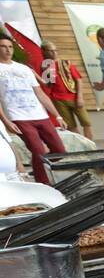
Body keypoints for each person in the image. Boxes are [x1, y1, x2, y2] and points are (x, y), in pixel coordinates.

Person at [0, 31, 66, 186]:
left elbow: (40, 94)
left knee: (60, 150)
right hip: (19, 117)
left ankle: (40, 167)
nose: (8, 50)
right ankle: (43, 183)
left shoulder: (24, 69)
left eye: (10, 46)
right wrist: (6, 121)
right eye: (3, 46)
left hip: (39, 114)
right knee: (38, 150)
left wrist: (57, 116)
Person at [39, 42, 94, 141]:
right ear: (44, 51)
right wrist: (36, 75)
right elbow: (47, 84)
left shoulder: (66, 63)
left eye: (55, 50)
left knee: (86, 122)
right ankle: (81, 146)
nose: (54, 53)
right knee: (71, 126)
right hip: (58, 99)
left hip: (74, 97)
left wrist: (80, 97)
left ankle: (90, 145)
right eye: (51, 51)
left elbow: (78, 80)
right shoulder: (45, 66)